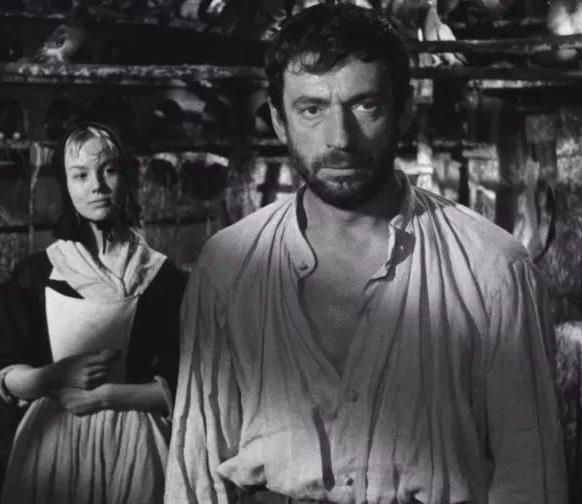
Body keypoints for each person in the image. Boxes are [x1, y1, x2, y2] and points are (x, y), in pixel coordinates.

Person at [164, 4, 567, 504]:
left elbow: (530, 475)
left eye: (365, 105)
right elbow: (198, 471)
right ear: (279, 121)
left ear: (404, 110)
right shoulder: (227, 266)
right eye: (312, 109)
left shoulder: (493, 269)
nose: (340, 139)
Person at [0, 122, 187, 504]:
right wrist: (53, 376)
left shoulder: (164, 279)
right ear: (65, 185)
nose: (97, 186)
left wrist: (105, 396)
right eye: (80, 175)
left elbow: (185, 387)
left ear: (126, 178)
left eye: (108, 170)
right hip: (55, 443)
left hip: (138, 445)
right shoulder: (36, 275)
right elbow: (5, 371)